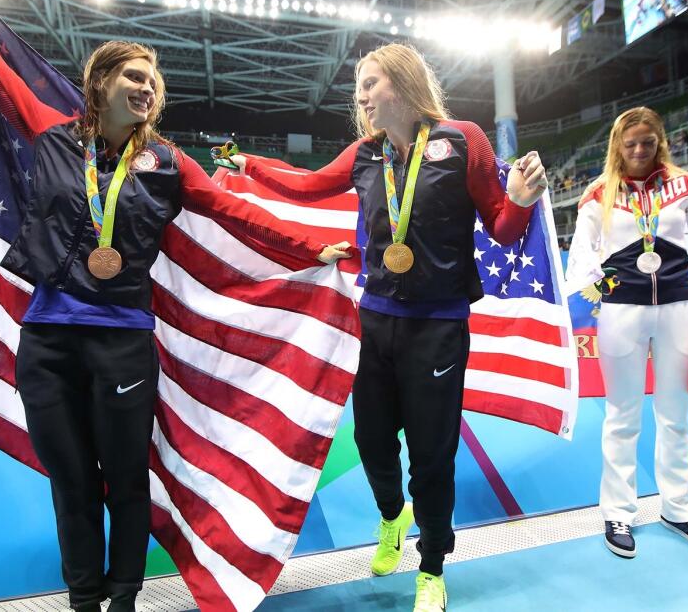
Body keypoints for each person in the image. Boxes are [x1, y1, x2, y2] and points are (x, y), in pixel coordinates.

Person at [0, 0, 351, 612]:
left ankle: (124, 599)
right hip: (46, 343)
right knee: (70, 479)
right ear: (100, 84)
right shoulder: (51, 132)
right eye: (134, 76)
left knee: (124, 480)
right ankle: (84, 600)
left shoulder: (169, 164)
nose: (147, 87)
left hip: (122, 344)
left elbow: (237, 215)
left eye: (154, 80)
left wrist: (309, 247)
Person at [228, 43, 547, 612]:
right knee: (372, 440)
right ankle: (392, 517)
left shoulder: (462, 139)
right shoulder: (364, 154)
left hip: (439, 325)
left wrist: (520, 201)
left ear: (399, 84)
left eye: (369, 84)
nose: (360, 97)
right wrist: (248, 165)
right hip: (375, 319)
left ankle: (431, 568)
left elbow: (500, 226)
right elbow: (305, 186)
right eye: (359, 87)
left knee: (431, 453)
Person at [565, 106, 688, 560]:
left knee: (675, 414)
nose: (639, 151)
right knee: (622, 415)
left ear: (659, 141)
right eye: (630, 144)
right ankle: (618, 511)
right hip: (622, 309)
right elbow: (582, 252)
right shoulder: (598, 193)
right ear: (617, 147)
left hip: (681, 307)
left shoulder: (687, 185)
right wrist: (589, 285)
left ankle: (679, 508)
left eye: (648, 142)